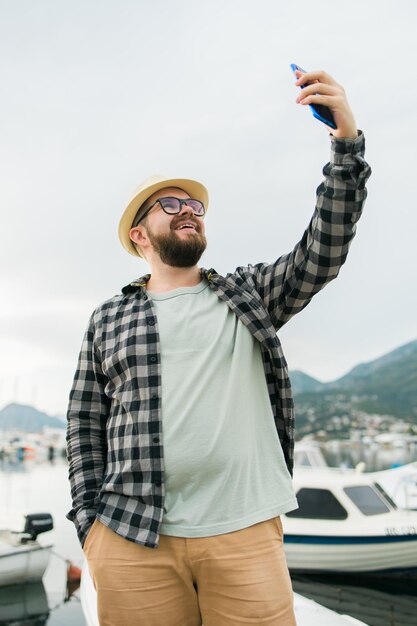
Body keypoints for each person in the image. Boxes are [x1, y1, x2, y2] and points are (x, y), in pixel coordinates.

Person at [66, 70, 371, 626]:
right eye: (170, 204)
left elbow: (324, 249)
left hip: (245, 533)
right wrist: (90, 524)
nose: (188, 209)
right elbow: (84, 421)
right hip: (132, 537)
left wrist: (345, 143)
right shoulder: (108, 317)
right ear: (139, 234)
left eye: (195, 205)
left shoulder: (247, 295)